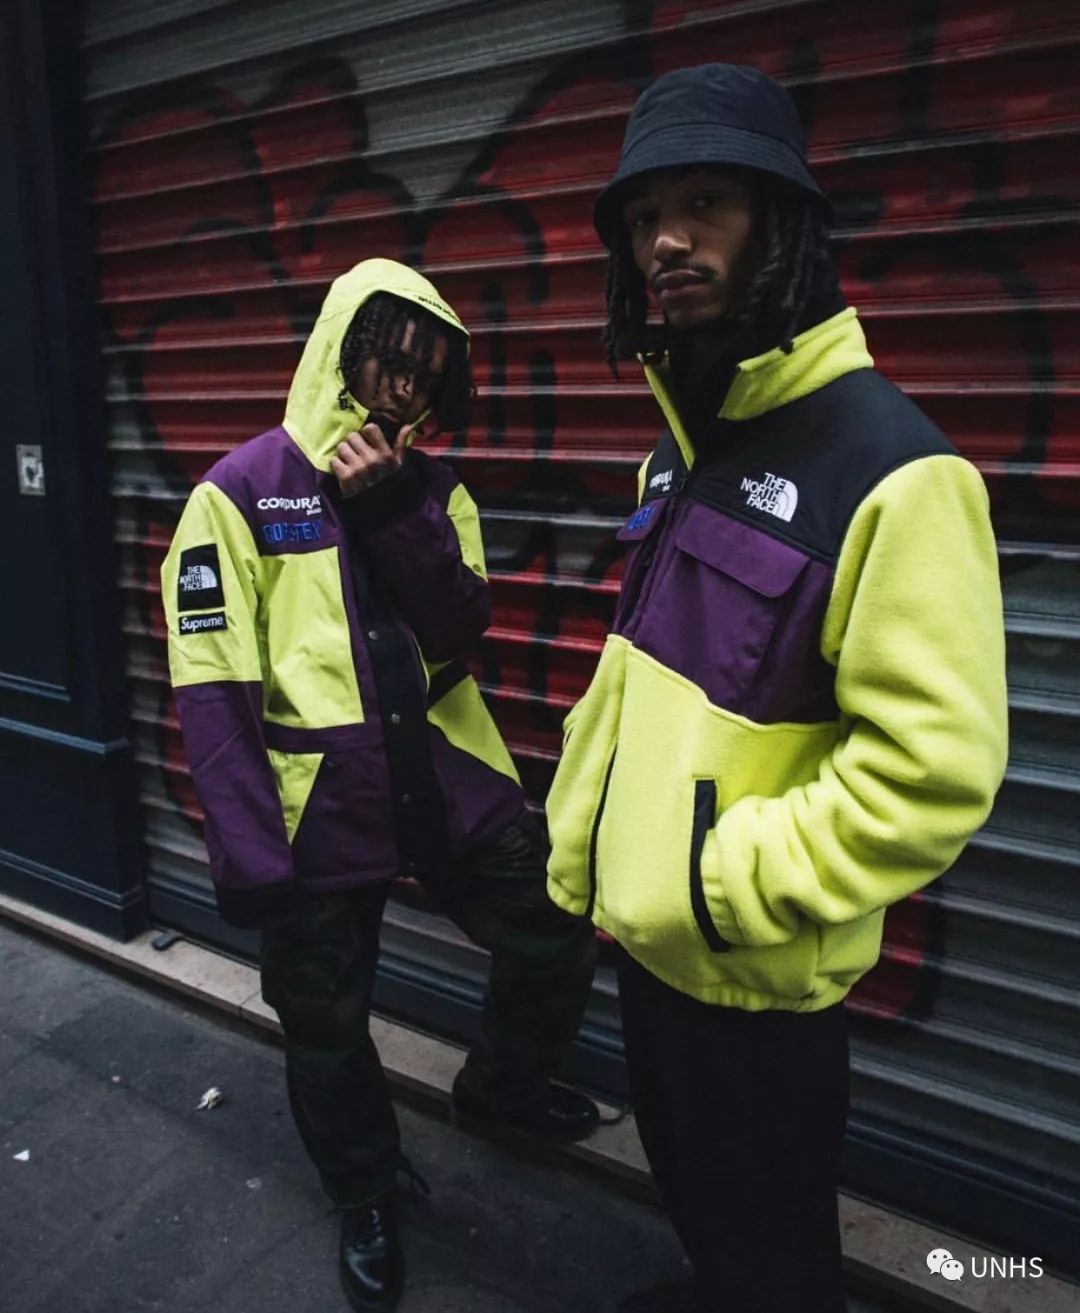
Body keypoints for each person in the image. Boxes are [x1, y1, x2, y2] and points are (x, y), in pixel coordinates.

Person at [545, 65, 1007, 1313]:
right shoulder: (681, 445)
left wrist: (720, 882)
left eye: (706, 202)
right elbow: (649, 682)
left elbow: (932, 774)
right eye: (645, 214)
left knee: (777, 1258)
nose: (666, 240)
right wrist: (593, 843)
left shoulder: (895, 472)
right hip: (647, 948)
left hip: (748, 980)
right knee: (703, 1208)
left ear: (782, 223)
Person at [161, 258, 598, 1313]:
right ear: (341, 352)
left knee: (555, 926)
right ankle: (363, 1187)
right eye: (389, 362)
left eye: (427, 375)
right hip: (318, 802)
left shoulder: (438, 490)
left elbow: (460, 624)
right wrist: (250, 852)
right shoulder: (237, 493)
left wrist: (395, 506)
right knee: (324, 1018)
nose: (403, 390)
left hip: (443, 775)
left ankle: (499, 1091)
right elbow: (213, 688)